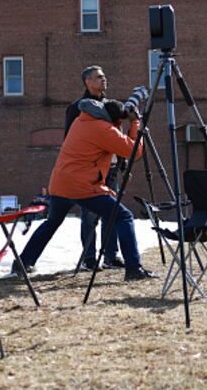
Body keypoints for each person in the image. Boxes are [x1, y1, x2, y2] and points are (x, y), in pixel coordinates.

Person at [15, 99, 156, 281]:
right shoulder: (104, 129)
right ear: (114, 119)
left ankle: (23, 263)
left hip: (60, 183)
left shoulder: (81, 121)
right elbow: (133, 151)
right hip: (82, 187)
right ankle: (134, 269)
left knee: (52, 222)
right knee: (123, 216)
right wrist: (135, 123)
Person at [64, 65, 122, 271]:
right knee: (89, 215)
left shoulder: (111, 106)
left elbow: (118, 138)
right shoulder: (77, 107)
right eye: (99, 77)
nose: (103, 80)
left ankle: (111, 255)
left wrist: (122, 163)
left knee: (112, 212)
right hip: (88, 171)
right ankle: (89, 258)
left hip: (112, 168)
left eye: (104, 76)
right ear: (88, 82)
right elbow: (69, 140)